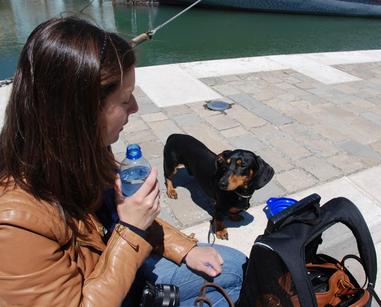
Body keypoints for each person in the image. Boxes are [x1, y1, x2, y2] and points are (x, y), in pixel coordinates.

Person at [0, 17, 246, 306]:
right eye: (125, 99)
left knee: (235, 266)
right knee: (226, 291)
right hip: (103, 285)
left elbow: (119, 216)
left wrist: (185, 248)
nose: (136, 107)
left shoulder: (85, 151)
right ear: (82, 113)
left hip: (113, 262)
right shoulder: (15, 226)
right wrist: (130, 232)